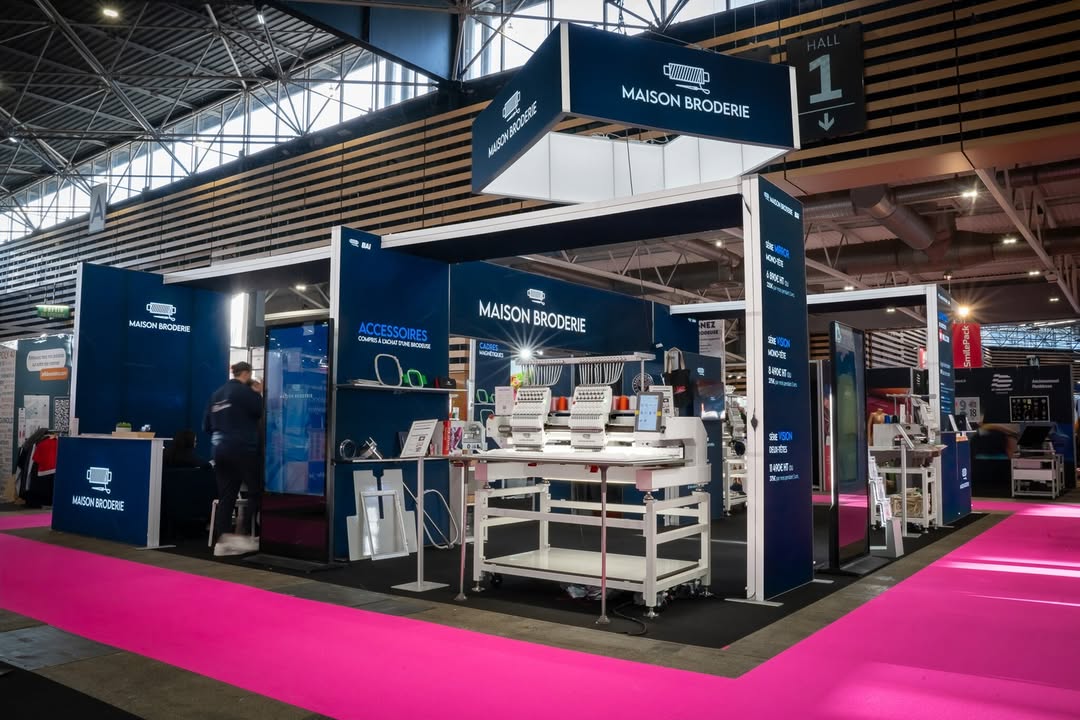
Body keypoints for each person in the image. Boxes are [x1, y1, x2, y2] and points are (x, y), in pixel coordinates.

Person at [204, 361, 263, 557]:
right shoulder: (245, 392)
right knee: (256, 490)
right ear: (246, 373)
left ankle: (222, 542)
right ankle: (242, 535)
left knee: (226, 496)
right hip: (242, 449)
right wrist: (258, 393)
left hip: (219, 450)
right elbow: (261, 411)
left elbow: (206, 426)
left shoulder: (216, 394)